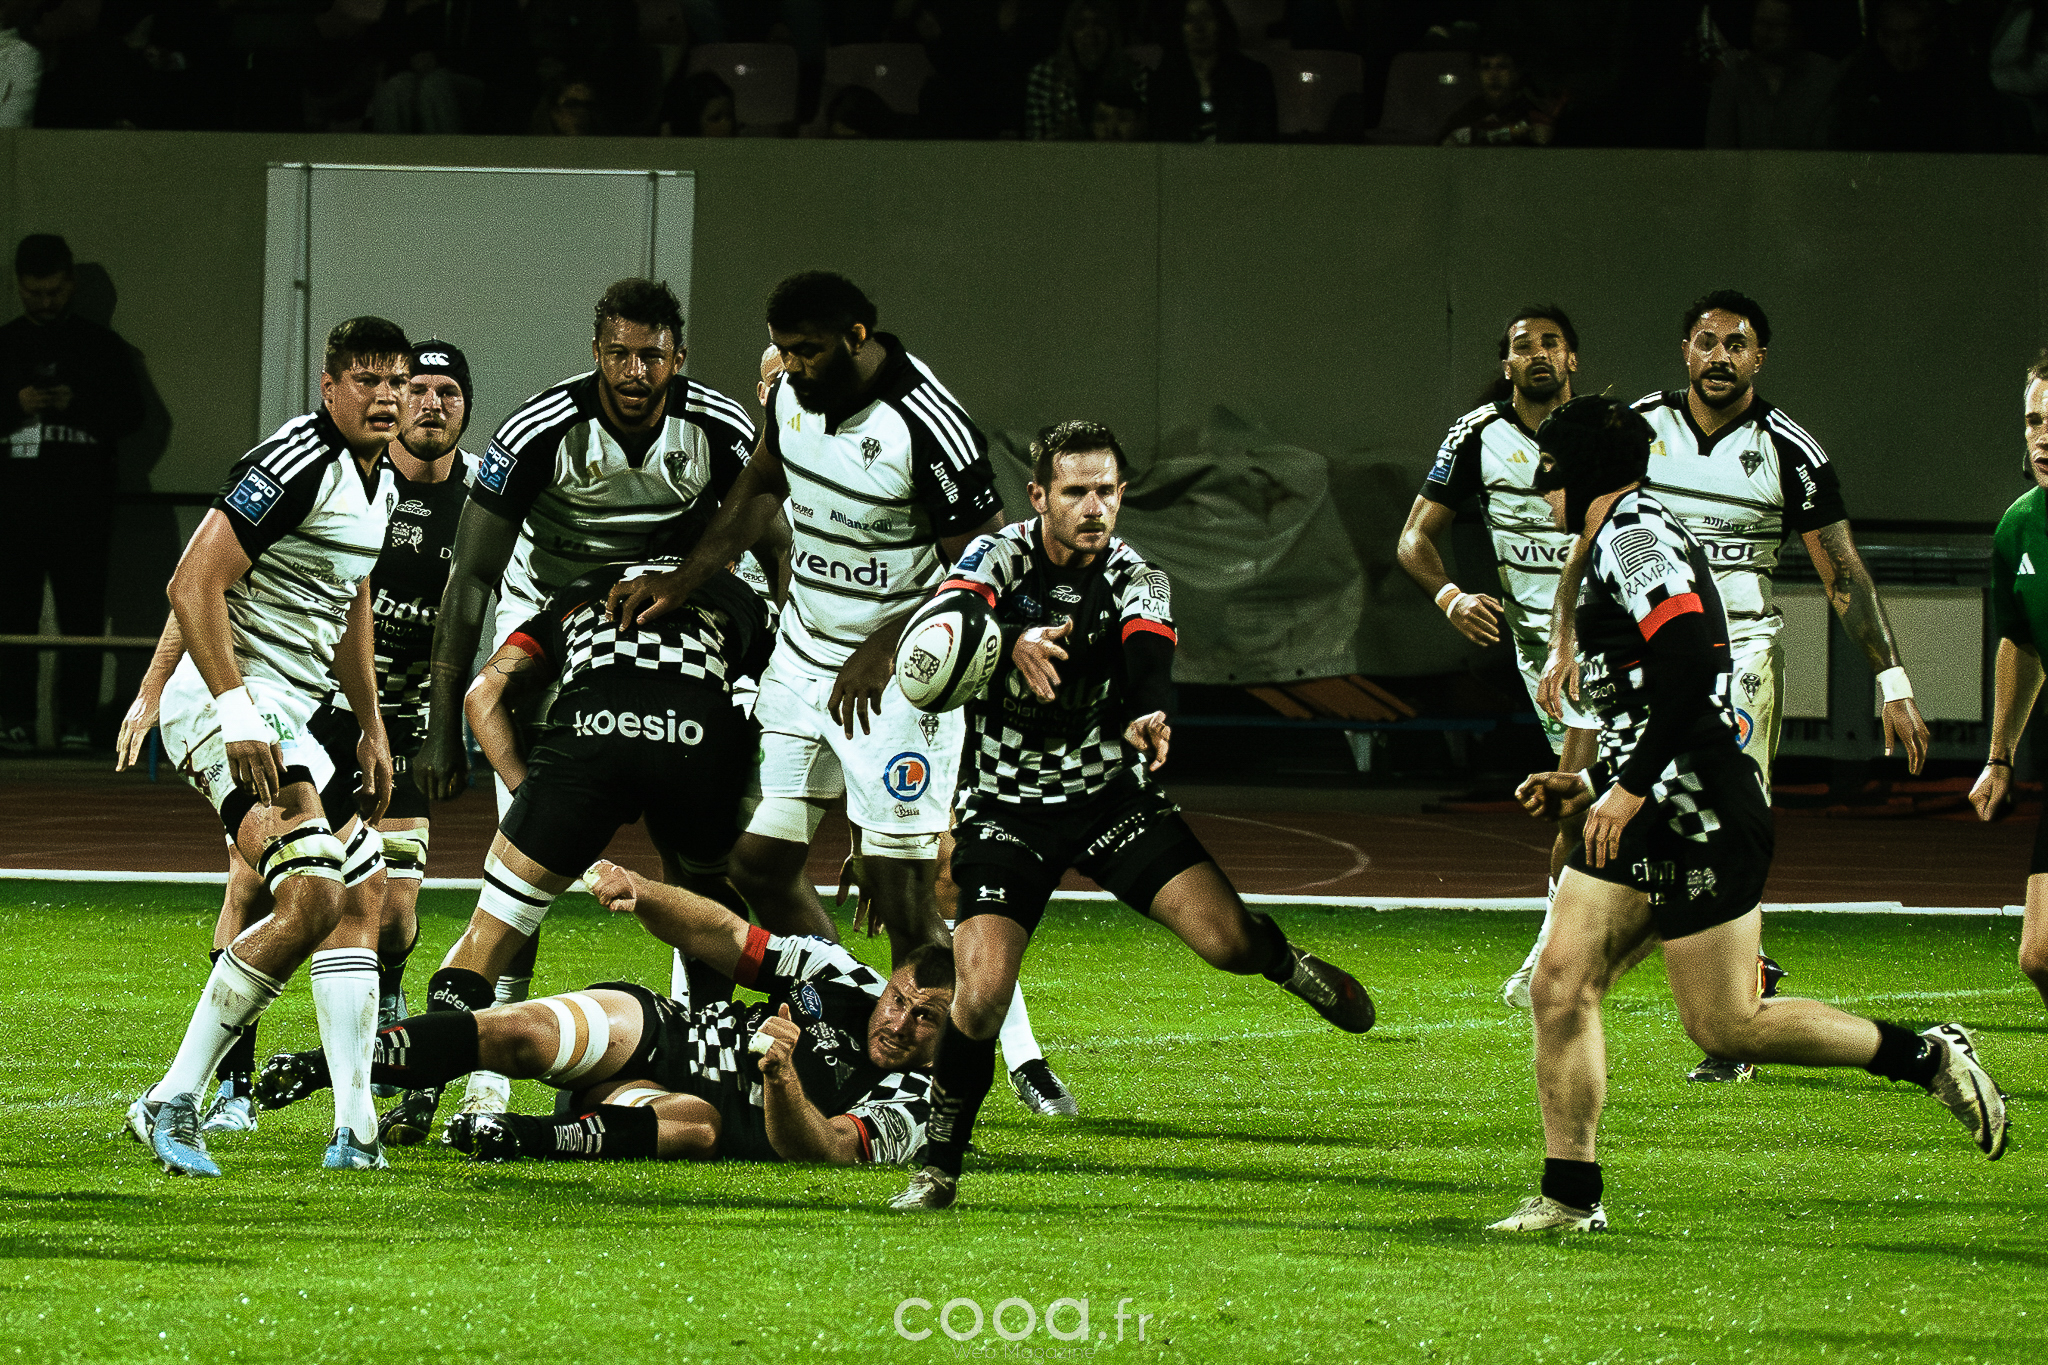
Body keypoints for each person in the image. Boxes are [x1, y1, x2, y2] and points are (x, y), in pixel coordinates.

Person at [1490, 396, 2006, 1233]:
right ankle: (1570, 1196)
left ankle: (1928, 1054)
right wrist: (1589, 784)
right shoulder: (1614, 533)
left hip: (1699, 810)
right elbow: (1650, 696)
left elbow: (1691, 664)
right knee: (1559, 982)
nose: (1539, 482)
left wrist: (1628, 786)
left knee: (1727, 1025)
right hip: (1650, 803)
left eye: (1548, 465)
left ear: (1576, 469)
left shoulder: (1633, 535)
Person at [606, 270, 1073, 1114]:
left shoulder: (928, 424)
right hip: (801, 660)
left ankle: (937, 1093)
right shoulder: (790, 395)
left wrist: (886, 645)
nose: (793, 365)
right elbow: (757, 491)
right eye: (783, 350)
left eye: (809, 350)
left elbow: (984, 566)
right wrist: (682, 579)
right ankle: (855, 1012)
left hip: (899, 683)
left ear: (858, 337)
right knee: (758, 865)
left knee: (903, 895)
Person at [888, 420, 1376, 1213]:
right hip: (1007, 807)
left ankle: (1285, 963)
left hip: (1107, 797)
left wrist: (1149, 710)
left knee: (1227, 942)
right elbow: (947, 620)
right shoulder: (995, 557)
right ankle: (938, 1167)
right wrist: (1007, 639)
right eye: (1074, 491)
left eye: (1106, 491)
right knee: (980, 993)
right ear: (1038, 495)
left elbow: (1149, 648)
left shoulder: (1136, 574)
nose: (1093, 507)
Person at [1539, 289, 1927, 1083]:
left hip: (1731, 658)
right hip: (1635, 650)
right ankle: (1649, 975)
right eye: (1706, 341)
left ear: (1759, 359)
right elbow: (1588, 534)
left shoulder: (1790, 449)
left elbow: (1842, 573)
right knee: (1608, 804)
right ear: (1685, 350)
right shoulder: (1634, 429)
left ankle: (1724, 998)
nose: (1720, 356)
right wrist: (1565, 636)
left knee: (1695, 811)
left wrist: (1891, 679)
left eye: (1737, 344)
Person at [410, 279, 762, 1116]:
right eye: (619, 354)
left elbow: (770, 538)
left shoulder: (720, 427)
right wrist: (439, 726)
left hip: (680, 638)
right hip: (560, 635)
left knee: (681, 871)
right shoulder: (539, 430)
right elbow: (473, 577)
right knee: (527, 879)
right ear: (595, 352)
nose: (635, 372)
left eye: (652, 356)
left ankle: (690, 1055)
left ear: (679, 358)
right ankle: (485, 1081)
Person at [115, 340, 476, 1136]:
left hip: (309, 710)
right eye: (370, 380)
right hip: (235, 702)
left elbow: (352, 601)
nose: (390, 396)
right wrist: (215, 705)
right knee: (303, 891)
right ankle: (185, 1094)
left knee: (367, 895)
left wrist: (374, 727)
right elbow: (191, 581)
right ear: (329, 385)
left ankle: (355, 1126)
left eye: (397, 382)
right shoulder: (295, 462)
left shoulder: (381, 480)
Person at [378, 551, 772, 1144]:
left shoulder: (582, 590)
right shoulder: (735, 593)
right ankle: (705, 1058)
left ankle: (419, 1095)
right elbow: (779, 702)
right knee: (708, 904)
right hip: (697, 742)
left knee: (490, 934)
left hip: (591, 732)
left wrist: (529, 793)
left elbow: (483, 695)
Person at [254, 859, 949, 1166]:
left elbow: (826, 1150)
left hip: (674, 1114)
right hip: (668, 1033)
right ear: (889, 981)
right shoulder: (840, 974)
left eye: (926, 1018)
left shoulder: (919, 1099)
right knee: (522, 1034)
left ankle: (517, 1136)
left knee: (698, 1126)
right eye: (900, 1000)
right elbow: (726, 935)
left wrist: (783, 1077)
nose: (899, 1023)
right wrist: (643, 891)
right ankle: (324, 1065)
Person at [1396, 307, 1595, 1009]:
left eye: (1551, 343)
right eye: (1522, 346)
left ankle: (1551, 958)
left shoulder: (1605, 430)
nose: (1538, 354)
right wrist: (1450, 596)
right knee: (1597, 800)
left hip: (1607, 641)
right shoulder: (1477, 434)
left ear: (1573, 359)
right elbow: (1413, 538)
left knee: (1578, 795)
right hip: (1541, 654)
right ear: (1506, 364)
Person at [1, 233, 146, 752]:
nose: (45, 302)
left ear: (71, 285)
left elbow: (134, 416)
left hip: (82, 507)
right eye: (34, 293)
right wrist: (15, 404)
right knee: (12, 616)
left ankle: (77, 724)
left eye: (54, 292)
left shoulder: (102, 348)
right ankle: (13, 720)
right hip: (13, 508)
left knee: (82, 619)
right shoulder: (4, 346)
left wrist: (76, 403)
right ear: (18, 286)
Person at [1970, 352, 2048, 1012]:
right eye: (2034, 420)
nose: (2043, 436)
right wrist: (2000, 755)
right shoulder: (2018, 527)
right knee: (2041, 954)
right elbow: (2021, 642)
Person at [1705, 0, 1841, 150]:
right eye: (1761, 23)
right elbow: (1718, 147)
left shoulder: (1823, 77)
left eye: (1777, 25)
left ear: (1796, 30)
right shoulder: (1731, 80)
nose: (1765, 32)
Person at [1147, 0, 1276, 143]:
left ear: (1220, 23)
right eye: (1189, 20)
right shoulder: (1164, 82)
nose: (1198, 27)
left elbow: (1264, 141)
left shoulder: (1254, 77)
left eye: (1206, 17)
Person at [1026, 0, 1148, 141]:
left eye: (1099, 24)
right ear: (1070, 33)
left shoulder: (1135, 75)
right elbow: (1037, 142)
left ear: (1111, 32)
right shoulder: (1045, 76)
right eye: (1081, 25)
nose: (1090, 32)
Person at [1437, 47, 1558, 147]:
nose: (1493, 75)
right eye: (1486, 67)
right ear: (1477, 75)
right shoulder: (1465, 117)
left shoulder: (1534, 116)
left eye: (1502, 66)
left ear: (1516, 73)